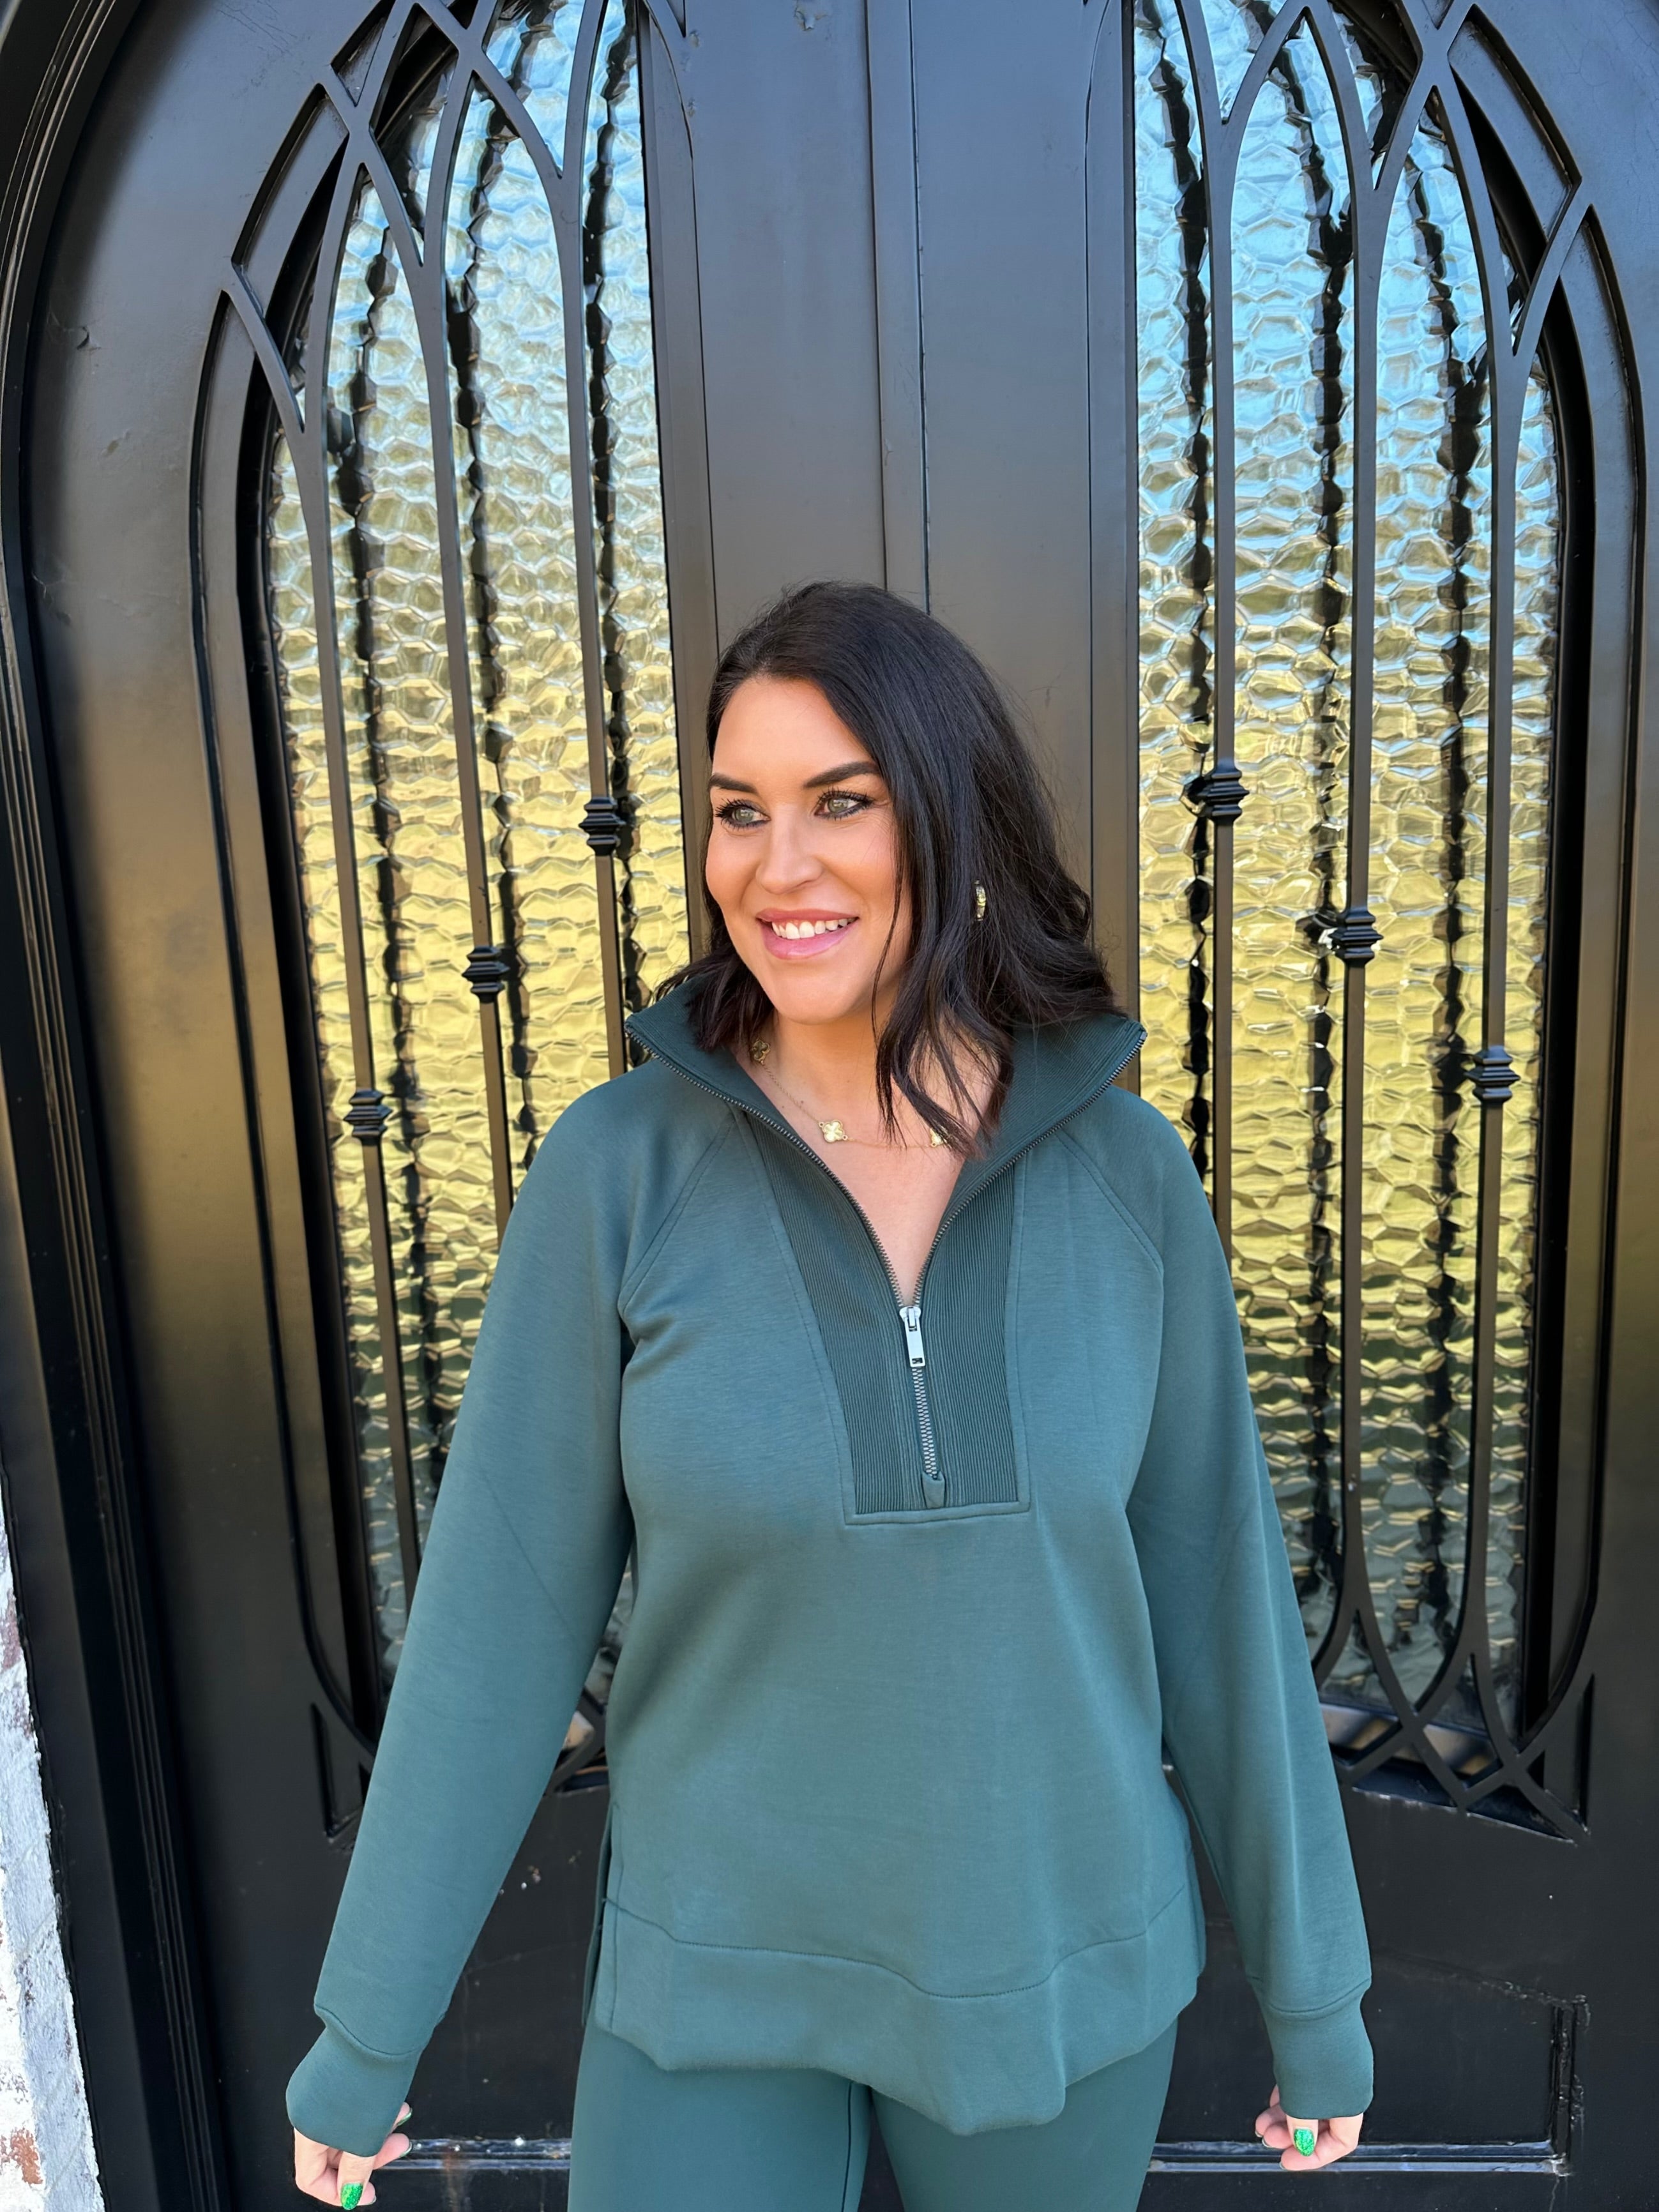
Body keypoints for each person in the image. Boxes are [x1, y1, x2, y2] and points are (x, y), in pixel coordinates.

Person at [287, 581, 1372, 2211]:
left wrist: (1317, 1995)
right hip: (712, 1978)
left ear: (951, 818)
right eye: (739, 811)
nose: (776, 865)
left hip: (1055, 1971)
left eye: (840, 802)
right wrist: (368, 2029)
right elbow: (496, 1625)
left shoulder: (1129, 1177)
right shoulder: (618, 1174)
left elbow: (1222, 1602)